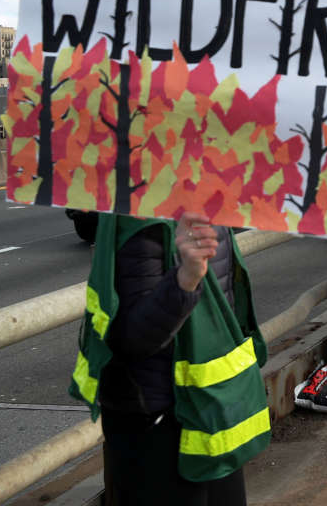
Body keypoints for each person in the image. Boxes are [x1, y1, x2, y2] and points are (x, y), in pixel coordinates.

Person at [68, 210, 269, 505]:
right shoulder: (140, 216)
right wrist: (185, 278)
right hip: (159, 421)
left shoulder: (213, 206)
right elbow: (134, 339)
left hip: (207, 411)